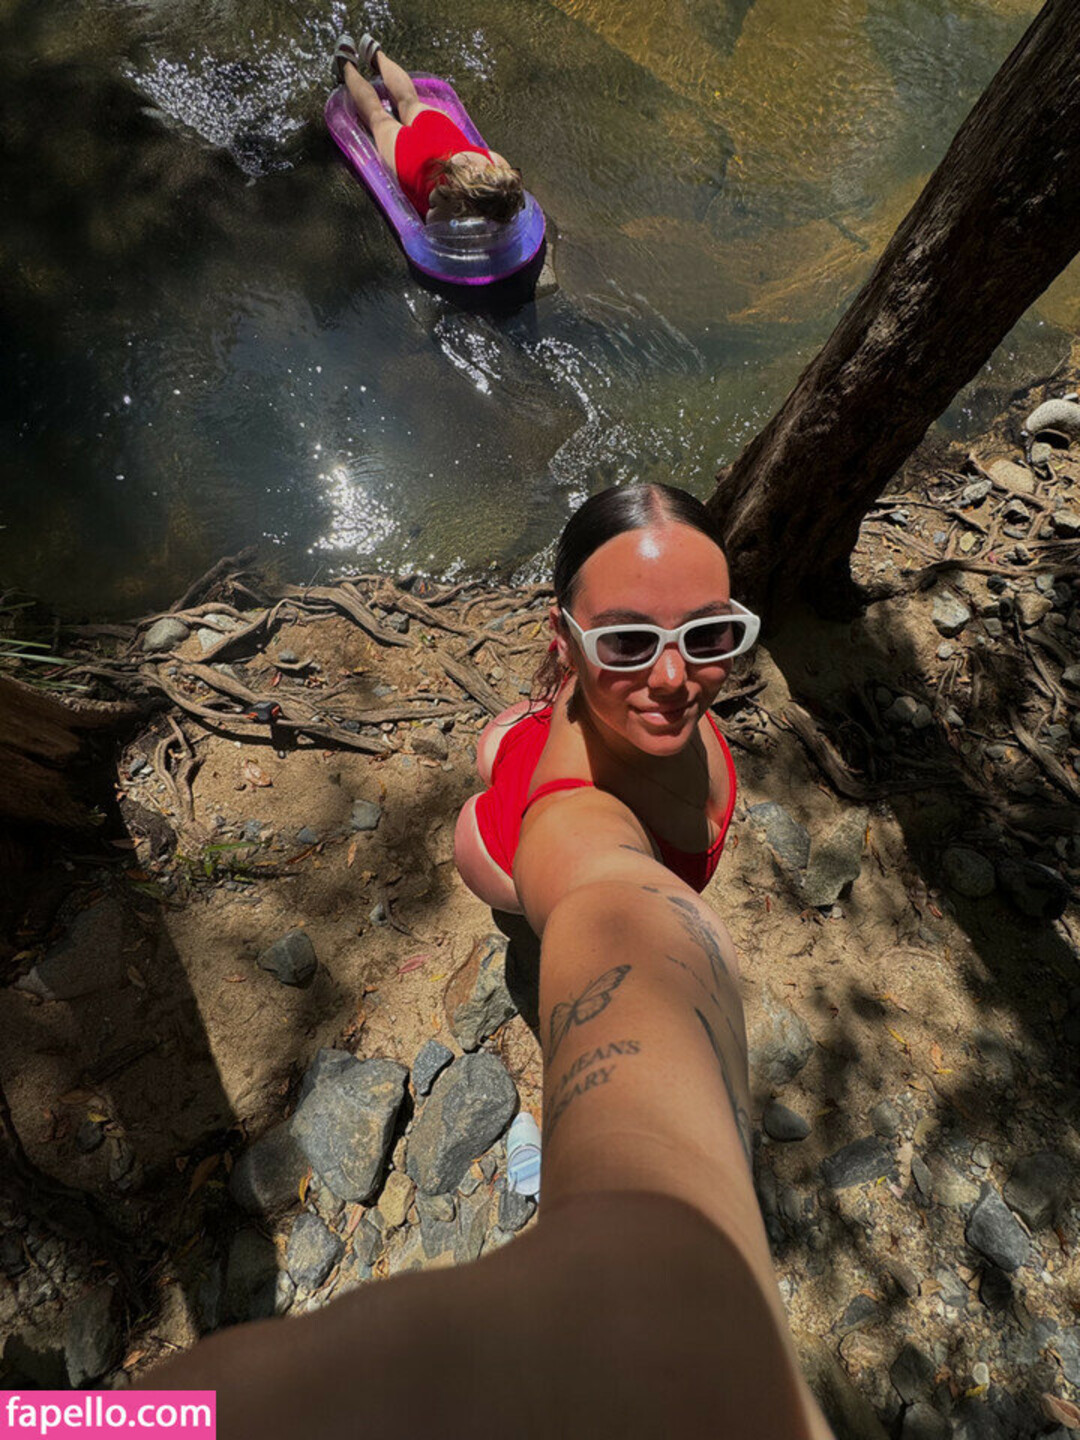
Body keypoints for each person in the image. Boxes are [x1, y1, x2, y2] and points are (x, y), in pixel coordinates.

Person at [143, 486, 833, 1437]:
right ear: (567, 636)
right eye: (627, 642)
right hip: (521, 841)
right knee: (497, 854)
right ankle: (501, 789)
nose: (676, 680)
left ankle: (513, 737)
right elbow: (614, 905)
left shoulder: (647, 699)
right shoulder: (573, 817)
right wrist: (652, 1266)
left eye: (709, 635)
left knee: (508, 739)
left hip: (548, 737)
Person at [333, 32, 525, 225]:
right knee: (377, 117)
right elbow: (432, 224)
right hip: (410, 156)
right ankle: (346, 66)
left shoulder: (498, 164)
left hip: (439, 130)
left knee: (409, 100)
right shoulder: (453, 200)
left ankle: (376, 54)